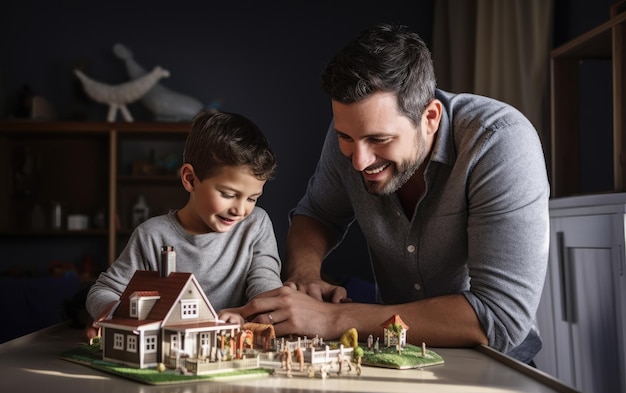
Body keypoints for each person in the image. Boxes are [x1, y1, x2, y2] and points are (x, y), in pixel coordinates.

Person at [240, 23, 549, 364]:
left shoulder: (500, 141)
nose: (359, 161)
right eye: (346, 137)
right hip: (394, 352)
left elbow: (499, 317)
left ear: (430, 118)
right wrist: (305, 275)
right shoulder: (355, 131)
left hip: (494, 361)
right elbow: (317, 214)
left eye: (379, 140)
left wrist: (331, 318)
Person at [84, 109, 282, 338]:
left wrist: (244, 314)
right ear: (190, 179)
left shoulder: (256, 224)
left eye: (252, 198)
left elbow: (266, 288)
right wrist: (113, 312)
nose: (240, 210)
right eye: (228, 194)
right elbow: (103, 290)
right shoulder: (152, 236)